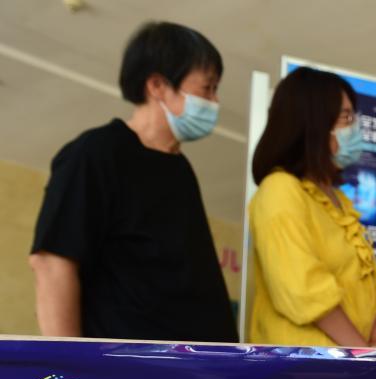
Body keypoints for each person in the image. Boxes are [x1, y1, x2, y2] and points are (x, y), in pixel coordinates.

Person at [29, 21, 236, 342]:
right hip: (130, 367)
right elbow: (52, 262)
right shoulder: (95, 153)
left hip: (195, 367)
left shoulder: (180, 168)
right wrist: (70, 362)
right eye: (207, 88)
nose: (215, 101)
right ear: (157, 85)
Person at [248, 67, 376, 347]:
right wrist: (360, 353)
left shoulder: (338, 200)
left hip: (350, 361)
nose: (354, 128)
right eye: (346, 117)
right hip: (304, 365)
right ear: (313, 123)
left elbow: (365, 283)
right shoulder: (280, 189)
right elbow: (301, 287)